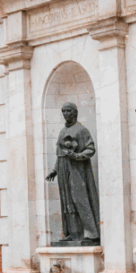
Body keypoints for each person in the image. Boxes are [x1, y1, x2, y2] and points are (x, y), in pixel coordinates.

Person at [45, 101, 101, 245]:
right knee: (67, 201)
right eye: (63, 111)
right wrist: (55, 170)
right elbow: (60, 154)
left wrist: (77, 156)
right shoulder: (62, 132)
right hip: (63, 169)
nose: (65, 114)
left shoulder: (81, 130)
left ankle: (90, 232)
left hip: (76, 170)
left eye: (68, 111)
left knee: (80, 199)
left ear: (75, 112)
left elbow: (90, 149)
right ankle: (72, 232)